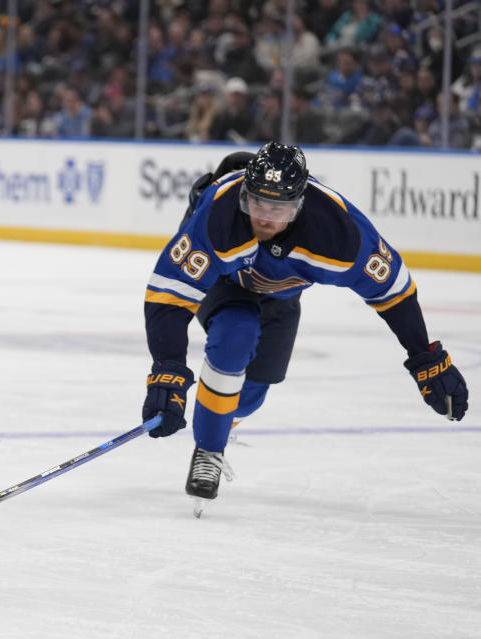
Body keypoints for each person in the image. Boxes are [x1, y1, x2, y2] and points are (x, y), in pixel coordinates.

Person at [140, 142, 469, 516]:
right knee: (236, 332)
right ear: (244, 194)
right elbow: (168, 297)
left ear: (299, 204)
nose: (264, 218)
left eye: (278, 208)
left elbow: (394, 291)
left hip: (280, 297)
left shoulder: (339, 232)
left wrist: (424, 355)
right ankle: (210, 450)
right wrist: (167, 367)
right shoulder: (218, 213)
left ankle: (220, 423)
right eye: (257, 204)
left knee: (253, 390)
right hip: (225, 283)